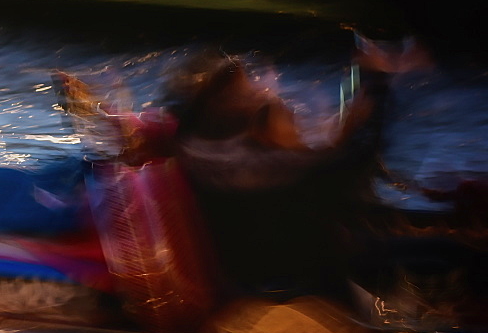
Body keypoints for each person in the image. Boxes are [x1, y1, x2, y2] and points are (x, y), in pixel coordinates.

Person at [157, 38, 422, 302]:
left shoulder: (197, 149)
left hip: (266, 276)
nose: (267, 93)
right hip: (294, 289)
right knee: (436, 258)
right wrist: (377, 83)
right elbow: (353, 160)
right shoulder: (266, 171)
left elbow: (328, 155)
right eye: (249, 90)